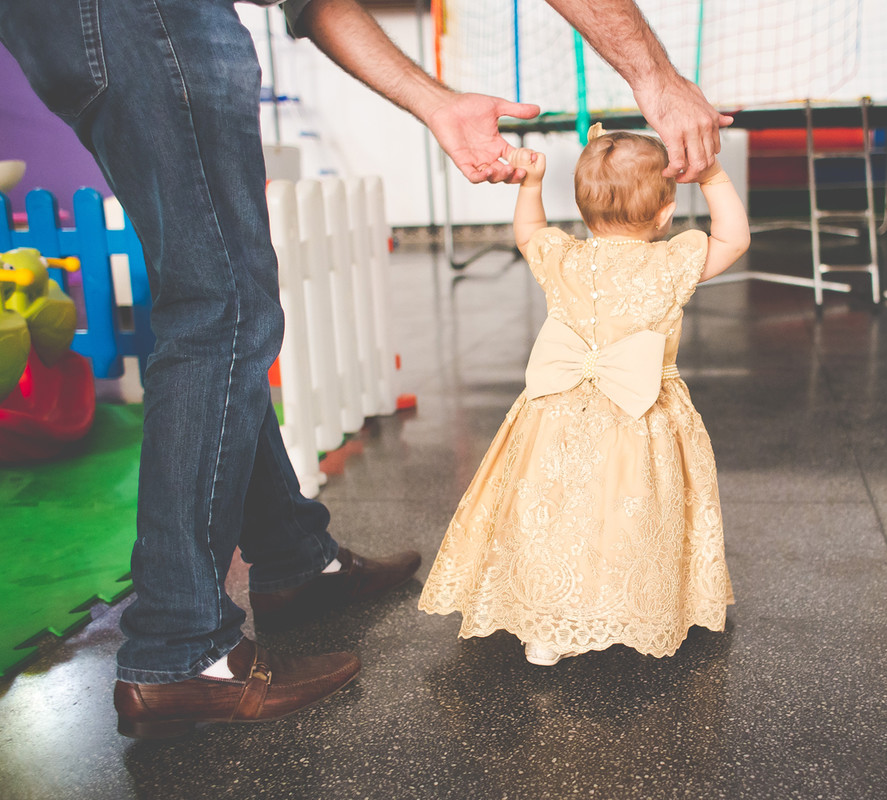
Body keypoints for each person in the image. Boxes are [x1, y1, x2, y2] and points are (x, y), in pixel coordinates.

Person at [0, 0, 731, 737]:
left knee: (217, 300)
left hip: (65, 25)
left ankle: (291, 558)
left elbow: (313, 3)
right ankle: (181, 651)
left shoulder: (561, 249)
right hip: (140, 17)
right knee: (218, 309)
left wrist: (437, 103)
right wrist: (655, 76)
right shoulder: (673, 255)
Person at [419, 123, 750, 665]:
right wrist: (711, 173)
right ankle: (643, 608)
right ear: (666, 213)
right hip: (640, 416)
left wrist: (532, 183)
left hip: (556, 416)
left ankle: (544, 630)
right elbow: (734, 238)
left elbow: (529, 232)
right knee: (633, 511)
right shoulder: (671, 263)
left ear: (583, 208)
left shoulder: (564, 258)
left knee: (553, 517)